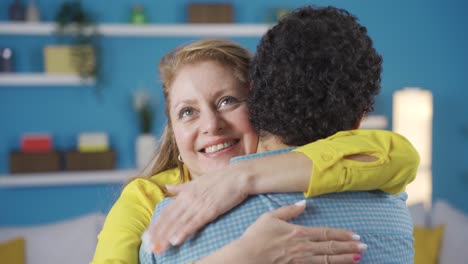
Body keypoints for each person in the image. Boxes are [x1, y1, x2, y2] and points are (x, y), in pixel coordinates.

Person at [92, 37, 418, 263]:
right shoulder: (146, 198)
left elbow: (398, 155)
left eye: (227, 101)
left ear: (262, 108)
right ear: (174, 132)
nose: (211, 125)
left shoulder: (295, 158)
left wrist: (243, 177)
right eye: (187, 112)